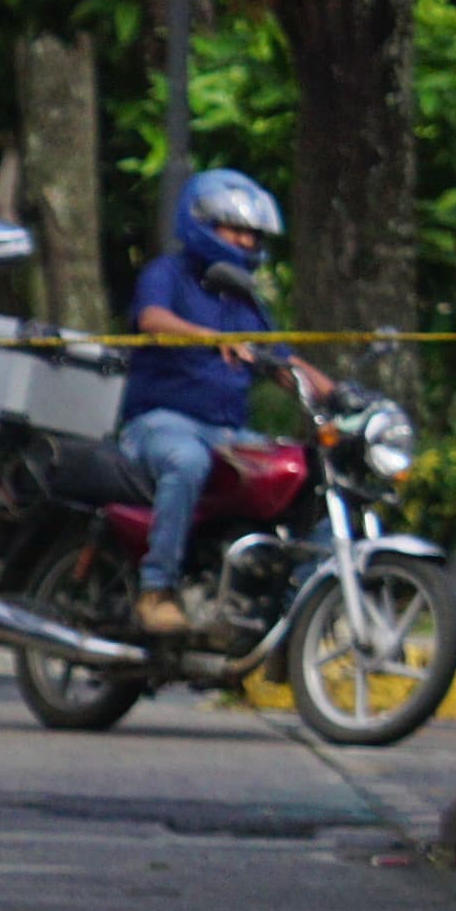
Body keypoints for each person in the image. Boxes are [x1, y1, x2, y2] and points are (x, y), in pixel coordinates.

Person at [118, 169, 329, 636]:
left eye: (253, 234)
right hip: (162, 423)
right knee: (187, 462)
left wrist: (338, 395)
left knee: (300, 474)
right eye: (235, 229)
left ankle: (290, 604)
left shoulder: (244, 300)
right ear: (202, 223)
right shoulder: (167, 273)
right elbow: (152, 319)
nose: (247, 241)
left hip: (228, 433)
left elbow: (281, 362)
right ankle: (156, 589)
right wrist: (210, 336)